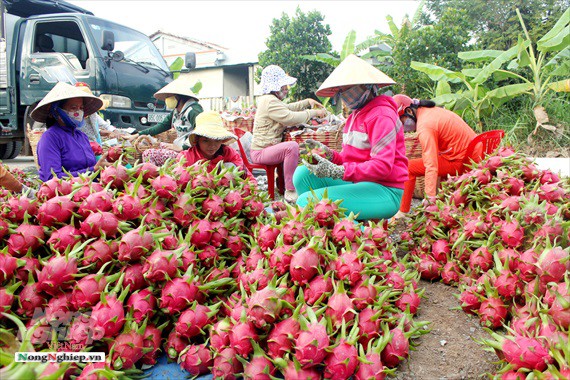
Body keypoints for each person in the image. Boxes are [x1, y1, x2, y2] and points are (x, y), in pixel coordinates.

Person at [293, 54, 408, 221]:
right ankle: (326, 230)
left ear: (367, 85)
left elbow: (382, 166)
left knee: (306, 202)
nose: (343, 94)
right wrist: (330, 155)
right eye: (340, 90)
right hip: (359, 183)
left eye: (347, 88)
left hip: (384, 189)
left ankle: (364, 239)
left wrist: (339, 171)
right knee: (302, 174)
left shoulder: (382, 115)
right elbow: (350, 161)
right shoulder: (356, 115)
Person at [250, 65, 327, 203]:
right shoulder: (269, 101)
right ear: (275, 87)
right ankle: (290, 190)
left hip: (266, 149)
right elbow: (290, 117)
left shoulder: (271, 100)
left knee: (290, 147)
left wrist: (307, 102)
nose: (285, 89)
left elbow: (288, 108)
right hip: (261, 152)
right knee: (291, 147)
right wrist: (313, 112)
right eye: (283, 86)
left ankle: (284, 186)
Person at [392, 94, 478, 215]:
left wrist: (430, 198)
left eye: (402, 120)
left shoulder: (425, 126)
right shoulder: (431, 112)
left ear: (409, 111)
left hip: (462, 161)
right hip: (470, 154)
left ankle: (403, 211)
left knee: (409, 167)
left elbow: (431, 165)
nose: (402, 126)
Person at [31, 82, 110, 181]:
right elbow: (52, 178)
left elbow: (94, 173)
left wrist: (110, 167)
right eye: (73, 108)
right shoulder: (50, 138)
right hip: (60, 194)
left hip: (87, 192)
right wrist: (93, 170)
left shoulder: (82, 137)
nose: (78, 112)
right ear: (56, 111)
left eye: (81, 108)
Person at [128, 76, 204, 166]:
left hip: (189, 152)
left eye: (169, 96)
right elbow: (162, 126)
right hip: (179, 147)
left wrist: (182, 147)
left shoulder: (193, 111)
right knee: (157, 145)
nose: (167, 99)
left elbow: (201, 131)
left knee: (148, 154)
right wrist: (137, 135)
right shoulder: (176, 111)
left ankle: (155, 176)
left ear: (179, 97)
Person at [177, 111, 254, 181]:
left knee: (231, 166)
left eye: (217, 140)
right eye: (205, 140)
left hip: (225, 193)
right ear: (197, 139)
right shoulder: (185, 158)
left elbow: (248, 177)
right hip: (194, 195)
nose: (212, 146)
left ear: (222, 139)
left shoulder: (229, 153)